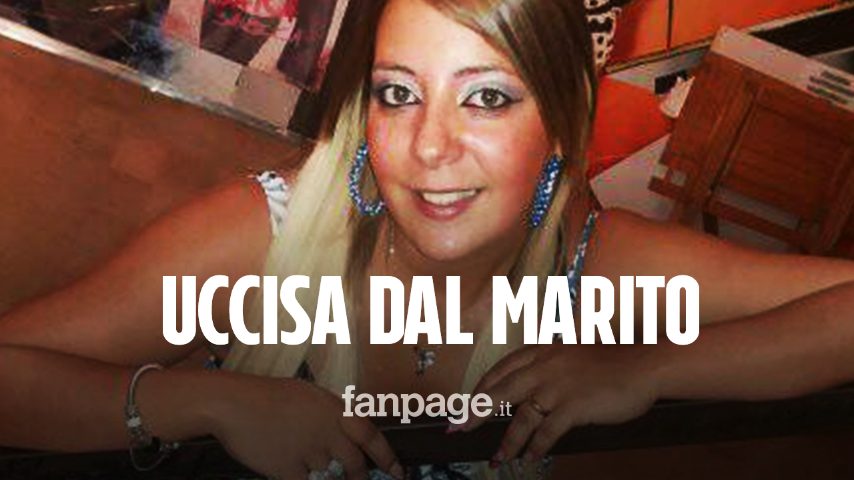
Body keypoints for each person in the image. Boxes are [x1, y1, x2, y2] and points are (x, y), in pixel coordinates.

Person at [1, 0, 853, 479]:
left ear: (562, 127)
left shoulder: (589, 265)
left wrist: (651, 368)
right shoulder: (266, 236)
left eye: (487, 98)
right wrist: (207, 403)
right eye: (399, 94)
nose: (430, 147)